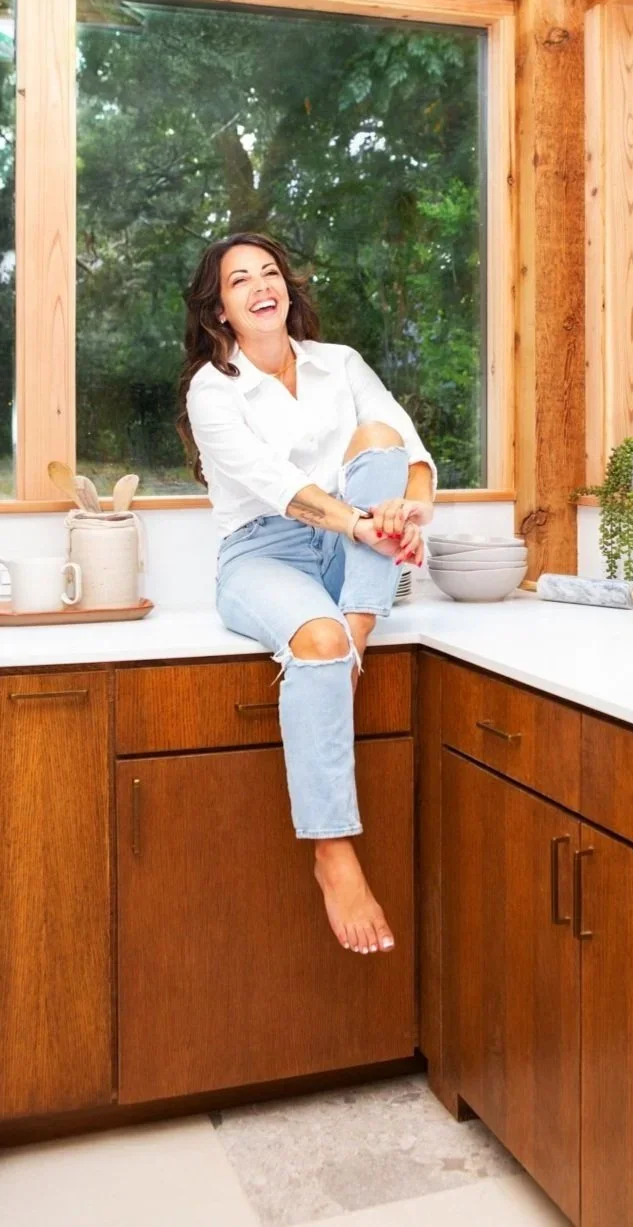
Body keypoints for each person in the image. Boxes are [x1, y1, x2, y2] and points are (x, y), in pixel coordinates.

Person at [177, 231, 437, 956]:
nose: (261, 284)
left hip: (354, 549)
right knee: (313, 640)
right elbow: (278, 488)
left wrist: (407, 512)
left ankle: (350, 640)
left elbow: (409, 454)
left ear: (287, 288)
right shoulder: (213, 386)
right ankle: (332, 849)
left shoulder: (338, 364)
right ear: (221, 308)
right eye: (240, 279)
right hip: (263, 550)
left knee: (380, 432)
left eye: (270, 272)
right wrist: (368, 525)